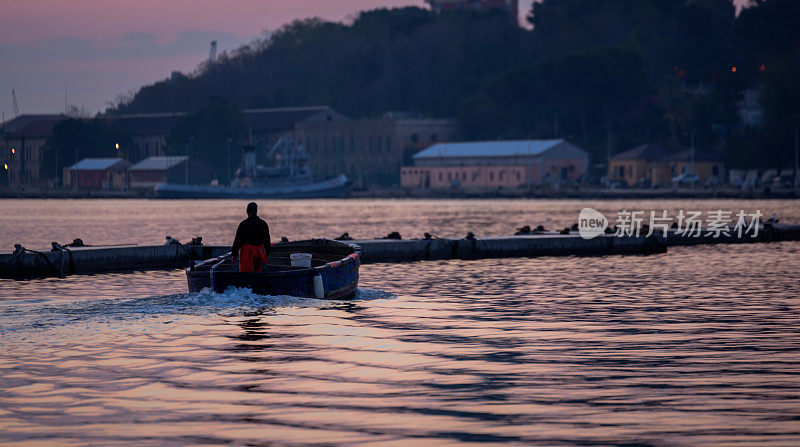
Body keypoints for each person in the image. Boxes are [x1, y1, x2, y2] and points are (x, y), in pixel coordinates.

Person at [232, 202, 271, 272]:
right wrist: (267, 253)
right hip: (260, 252)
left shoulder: (244, 224)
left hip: (248, 253)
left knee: (246, 275)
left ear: (247, 211)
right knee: (258, 273)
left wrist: (234, 254)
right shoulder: (263, 224)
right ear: (256, 211)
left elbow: (238, 240)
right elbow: (267, 241)